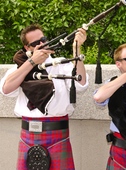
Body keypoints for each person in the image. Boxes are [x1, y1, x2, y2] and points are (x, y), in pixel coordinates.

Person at [0, 24, 89, 170]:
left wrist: (77, 50)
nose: (42, 44)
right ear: (27, 48)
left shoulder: (61, 64)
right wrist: (31, 63)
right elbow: (6, 89)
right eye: (36, 43)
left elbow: (80, 85)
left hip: (57, 134)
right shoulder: (19, 69)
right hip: (28, 135)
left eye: (43, 40)